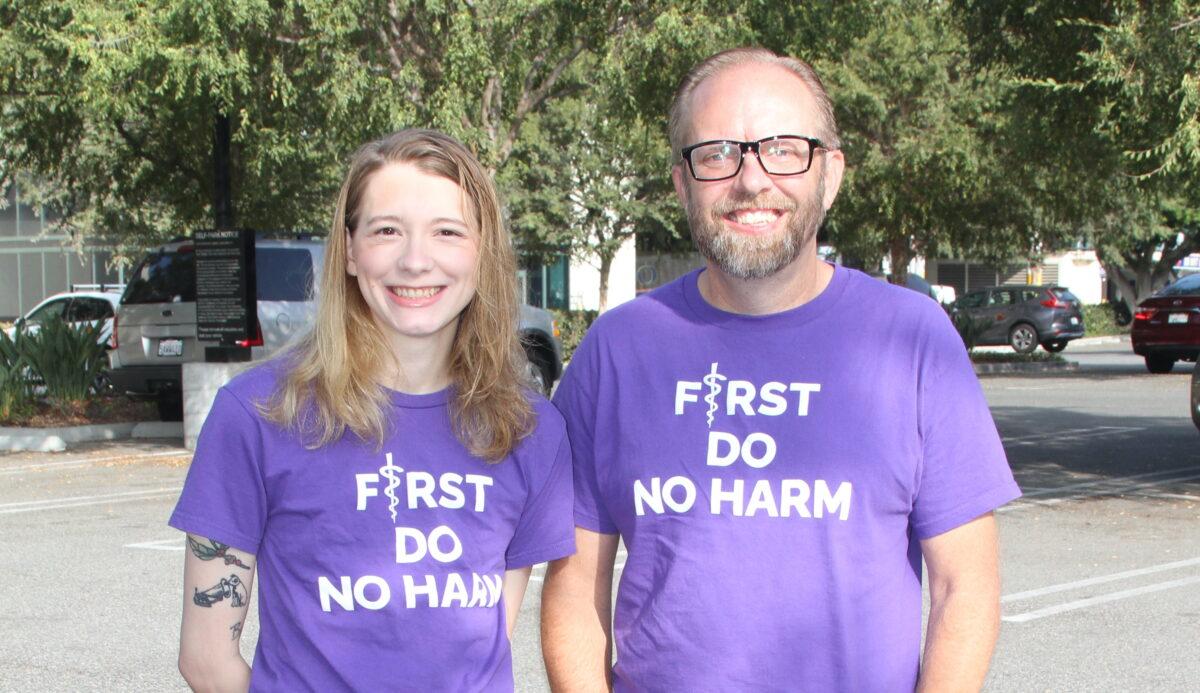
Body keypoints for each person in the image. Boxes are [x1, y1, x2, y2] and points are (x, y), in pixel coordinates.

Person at [542, 47, 1021, 692]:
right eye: (718, 153)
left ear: (830, 174)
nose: (752, 180)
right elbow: (575, 588)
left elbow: (966, 585)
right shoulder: (617, 351)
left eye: (784, 149)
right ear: (683, 183)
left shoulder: (912, 340)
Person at [170, 129, 575, 691]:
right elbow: (206, 658)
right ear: (350, 250)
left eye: (447, 232)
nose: (415, 261)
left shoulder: (529, 429)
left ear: (483, 253)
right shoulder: (258, 414)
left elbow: (483, 642)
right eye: (387, 231)